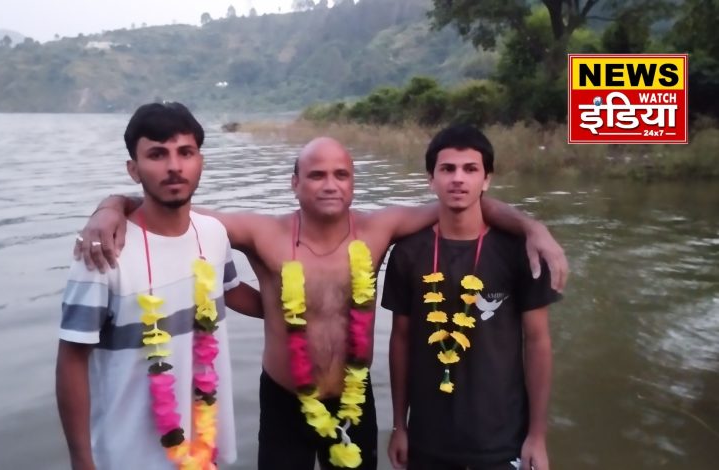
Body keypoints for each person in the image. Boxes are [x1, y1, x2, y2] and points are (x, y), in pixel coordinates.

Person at [75, 136, 568, 469]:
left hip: (354, 399)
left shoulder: (382, 230)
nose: (329, 185)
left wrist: (533, 227)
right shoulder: (260, 233)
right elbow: (171, 206)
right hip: (285, 400)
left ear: (354, 182)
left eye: (340, 175)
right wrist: (111, 205)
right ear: (295, 183)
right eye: (315, 175)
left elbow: (464, 202)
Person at [56, 102, 263, 470]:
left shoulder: (213, 234)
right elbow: (72, 360)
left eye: (186, 152)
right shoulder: (104, 252)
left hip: (204, 448)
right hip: (127, 457)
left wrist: (307, 309)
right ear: (133, 170)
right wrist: (81, 461)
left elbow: (232, 293)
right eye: (157, 154)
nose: (173, 166)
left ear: (201, 161)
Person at [383, 124, 560, 470]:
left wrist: (537, 436)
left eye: (470, 169)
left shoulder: (521, 252)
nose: (458, 179)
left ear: (487, 180)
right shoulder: (408, 253)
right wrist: (399, 426)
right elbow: (400, 340)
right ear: (430, 179)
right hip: (427, 439)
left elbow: (538, 342)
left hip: (501, 439)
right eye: (447, 169)